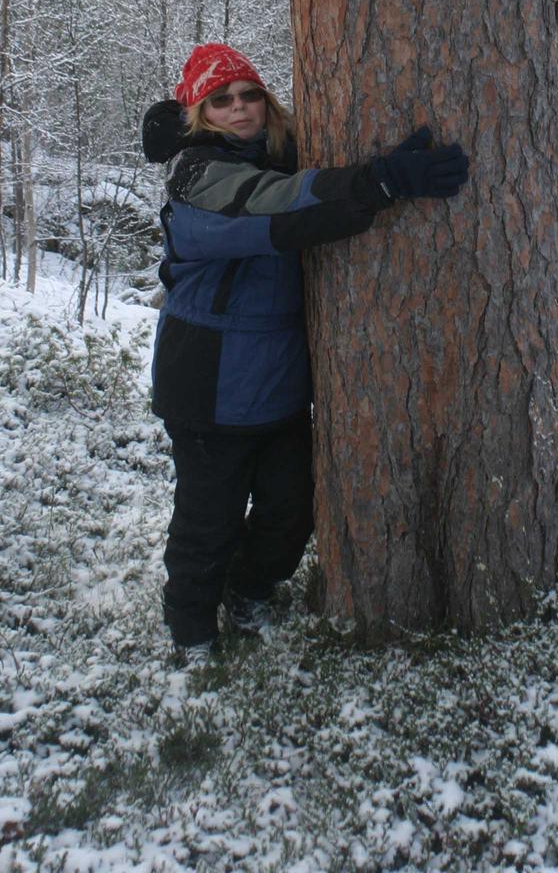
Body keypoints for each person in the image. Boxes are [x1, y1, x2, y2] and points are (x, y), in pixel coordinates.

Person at [141, 41, 469, 662]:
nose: (240, 109)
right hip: (206, 385)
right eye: (221, 101)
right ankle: (191, 631)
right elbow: (281, 211)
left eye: (249, 96)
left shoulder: (288, 156)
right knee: (205, 521)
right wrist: (380, 181)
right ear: (199, 114)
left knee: (292, 512)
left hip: (280, 383)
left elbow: (298, 184)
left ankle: (250, 590)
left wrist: (369, 173)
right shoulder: (194, 182)